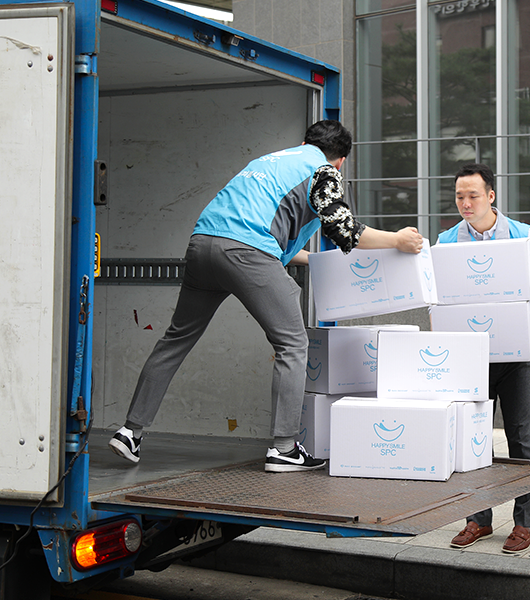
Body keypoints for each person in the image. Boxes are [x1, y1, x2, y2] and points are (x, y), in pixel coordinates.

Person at [108, 120, 424, 472]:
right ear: (341, 161)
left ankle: (130, 431)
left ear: (304, 143)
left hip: (203, 245)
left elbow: (261, 232)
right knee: (293, 343)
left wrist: (313, 260)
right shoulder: (324, 171)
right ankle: (284, 448)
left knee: (176, 339)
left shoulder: (268, 162)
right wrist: (397, 240)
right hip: (246, 252)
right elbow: (344, 229)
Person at [440, 163, 530, 554]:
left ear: (491, 196)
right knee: (474, 439)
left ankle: (525, 522)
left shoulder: (523, 235)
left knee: (522, 436)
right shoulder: (447, 242)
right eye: (459, 196)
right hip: (470, 357)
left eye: (473, 195)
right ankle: (477, 518)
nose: (465, 203)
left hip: (516, 352)